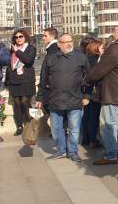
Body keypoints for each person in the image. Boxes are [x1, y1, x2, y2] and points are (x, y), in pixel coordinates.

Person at [35, 34, 89, 162]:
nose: (69, 44)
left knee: (74, 129)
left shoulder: (81, 57)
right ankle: (61, 150)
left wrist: (87, 95)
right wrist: (39, 98)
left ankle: (73, 152)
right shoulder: (50, 58)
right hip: (55, 99)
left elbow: (89, 79)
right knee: (56, 128)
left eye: (70, 41)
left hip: (76, 99)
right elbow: (43, 79)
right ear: (58, 44)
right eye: (65, 42)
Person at [86, 24, 118, 165]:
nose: (115, 29)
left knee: (107, 124)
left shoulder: (116, 47)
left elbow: (101, 69)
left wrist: (87, 79)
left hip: (112, 92)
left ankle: (110, 154)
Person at [5, 29, 36, 136]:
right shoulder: (11, 49)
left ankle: (28, 124)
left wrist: (17, 51)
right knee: (17, 103)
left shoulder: (31, 48)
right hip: (14, 80)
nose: (18, 39)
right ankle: (19, 126)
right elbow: (9, 65)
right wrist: (7, 80)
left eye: (21, 36)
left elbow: (28, 60)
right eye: (16, 37)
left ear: (25, 37)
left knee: (25, 101)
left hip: (26, 80)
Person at [80, 37, 102, 148]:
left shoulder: (84, 59)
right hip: (94, 91)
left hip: (84, 90)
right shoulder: (97, 60)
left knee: (86, 115)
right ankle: (93, 139)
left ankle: (85, 138)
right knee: (94, 116)